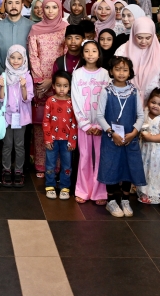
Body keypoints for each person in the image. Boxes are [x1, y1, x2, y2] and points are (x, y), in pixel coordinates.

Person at [97, 56, 147, 218]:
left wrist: (134, 133)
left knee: (128, 167)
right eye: (117, 69)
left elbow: (141, 116)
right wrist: (111, 133)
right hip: (111, 138)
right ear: (111, 71)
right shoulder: (106, 91)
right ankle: (111, 201)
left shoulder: (134, 92)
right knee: (110, 167)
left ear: (130, 72)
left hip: (129, 138)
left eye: (125, 70)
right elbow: (100, 116)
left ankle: (125, 199)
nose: (121, 73)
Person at [28, 0, 68, 176]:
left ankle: (57, 165)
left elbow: (66, 54)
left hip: (60, 82)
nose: (50, 11)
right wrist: (40, 81)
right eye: (47, 7)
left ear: (59, 8)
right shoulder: (35, 29)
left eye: (54, 7)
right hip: (40, 84)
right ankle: (41, 164)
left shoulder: (65, 28)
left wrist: (52, 80)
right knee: (40, 124)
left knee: (59, 123)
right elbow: (33, 55)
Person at [71, 40, 111, 205]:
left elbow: (109, 100)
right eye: (86, 51)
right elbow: (75, 99)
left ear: (99, 53)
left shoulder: (105, 74)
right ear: (82, 54)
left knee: (101, 157)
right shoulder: (77, 74)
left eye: (94, 51)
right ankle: (82, 190)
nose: (90, 54)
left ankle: (99, 192)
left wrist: (102, 124)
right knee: (85, 157)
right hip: (84, 125)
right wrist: (85, 124)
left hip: (101, 124)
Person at [116, 17, 160, 119]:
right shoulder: (122, 51)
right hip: (125, 103)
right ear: (133, 34)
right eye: (139, 37)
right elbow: (114, 79)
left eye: (148, 38)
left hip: (153, 109)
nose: (143, 42)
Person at [0, 45, 34, 188]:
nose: (16, 61)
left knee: (19, 145)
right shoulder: (4, 75)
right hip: (7, 116)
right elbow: (0, 98)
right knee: (7, 145)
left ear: (24, 59)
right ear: (8, 58)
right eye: (12, 57)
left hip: (20, 117)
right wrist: (1, 86)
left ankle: (19, 170)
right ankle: (6, 169)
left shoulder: (27, 76)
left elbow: (27, 99)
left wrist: (23, 86)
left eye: (19, 58)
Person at [42, 70, 77, 200]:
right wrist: (47, 139)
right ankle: (50, 186)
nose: (62, 89)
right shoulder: (50, 101)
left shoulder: (72, 102)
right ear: (53, 86)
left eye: (65, 86)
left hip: (67, 141)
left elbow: (74, 123)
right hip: (52, 140)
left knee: (67, 165)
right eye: (58, 85)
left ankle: (64, 187)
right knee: (50, 164)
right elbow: (46, 121)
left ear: (70, 87)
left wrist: (72, 141)